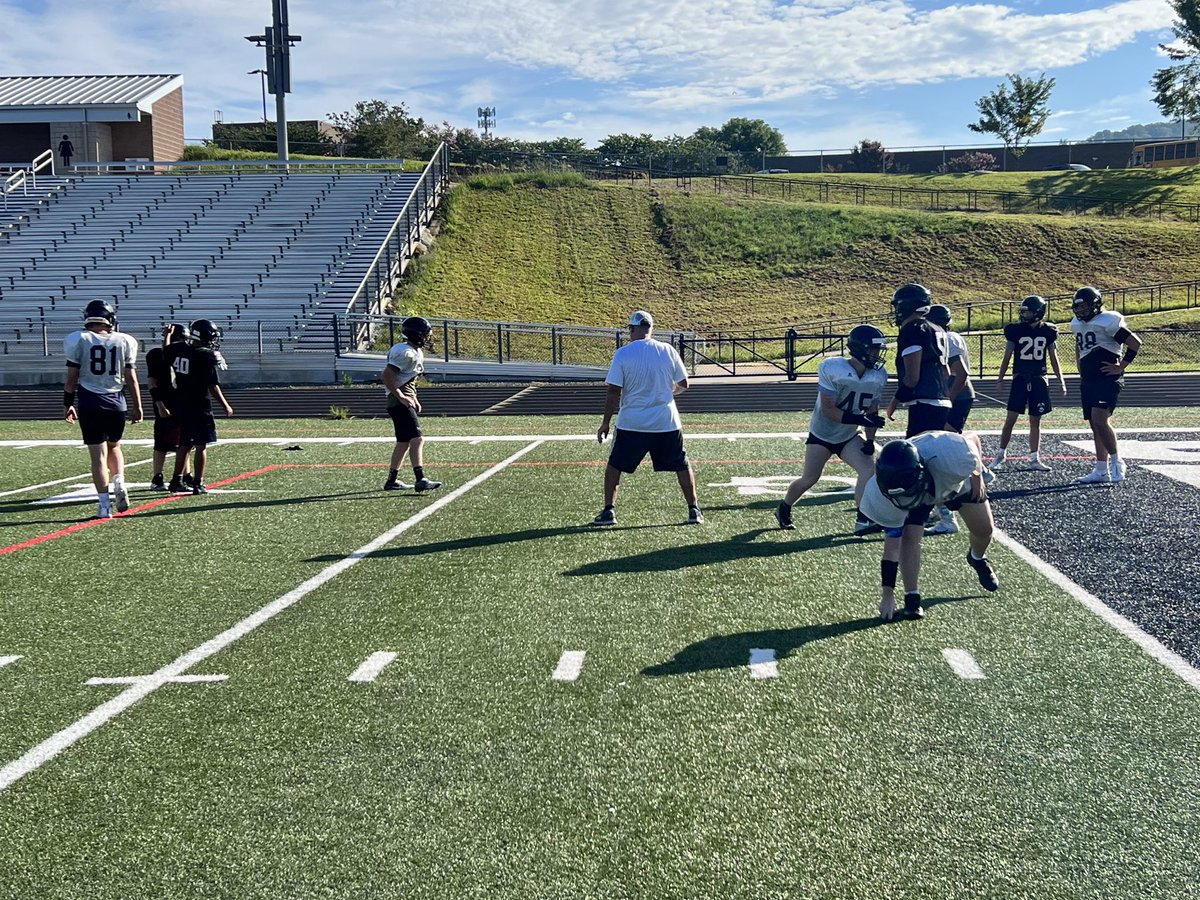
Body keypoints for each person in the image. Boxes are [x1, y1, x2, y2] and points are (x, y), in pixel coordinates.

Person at [859, 434, 1000, 621]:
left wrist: (977, 475)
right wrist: (888, 594)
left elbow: (972, 439)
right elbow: (892, 547)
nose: (903, 500)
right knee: (910, 537)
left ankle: (977, 557)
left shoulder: (952, 455)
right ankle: (912, 598)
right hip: (922, 488)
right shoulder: (884, 492)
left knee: (984, 530)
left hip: (950, 481)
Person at [774, 323, 888, 536]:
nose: (877, 354)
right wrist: (861, 418)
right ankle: (785, 506)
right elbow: (829, 410)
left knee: (869, 470)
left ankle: (863, 518)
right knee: (809, 478)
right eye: (874, 349)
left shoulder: (878, 375)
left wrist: (871, 439)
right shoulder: (834, 368)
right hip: (822, 434)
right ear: (861, 349)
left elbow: (872, 408)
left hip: (849, 435)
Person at [594, 310, 701, 526]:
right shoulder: (667, 350)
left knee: (615, 466)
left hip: (632, 422)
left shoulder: (623, 354)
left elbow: (613, 391)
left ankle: (609, 511)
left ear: (632, 329)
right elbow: (684, 384)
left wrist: (605, 422)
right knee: (682, 464)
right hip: (665, 421)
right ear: (650, 328)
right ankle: (694, 509)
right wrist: (667, 393)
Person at [63, 300, 143, 519]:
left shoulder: (78, 339)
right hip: (117, 401)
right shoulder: (125, 340)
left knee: (98, 456)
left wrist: (67, 403)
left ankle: (104, 506)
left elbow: (72, 379)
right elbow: (131, 378)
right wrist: (138, 405)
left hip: (90, 401)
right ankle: (119, 481)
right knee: (115, 446)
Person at [1070, 286, 1142, 484]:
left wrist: (1122, 366)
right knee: (1095, 424)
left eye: (1085, 307)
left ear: (1095, 305)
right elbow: (1079, 346)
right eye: (1078, 308)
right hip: (1089, 378)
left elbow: (1135, 343)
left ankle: (1117, 461)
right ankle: (1101, 469)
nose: (1081, 311)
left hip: (1106, 378)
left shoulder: (1108, 321)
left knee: (1100, 419)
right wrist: (1080, 368)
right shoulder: (1076, 323)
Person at [992, 295, 1067, 473]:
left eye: (1027, 312)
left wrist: (1061, 381)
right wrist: (1000, 378)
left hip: (1039, 378)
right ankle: (1001, 454)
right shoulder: (1015, 331)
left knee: (1035, 420)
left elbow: (1054, 359)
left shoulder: (1048, 331)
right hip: (1020, 378)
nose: (1024, 315)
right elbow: (1007, 356)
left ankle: (1034, 457)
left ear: (1038, 312)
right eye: (1023, 311)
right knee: (1011, 419)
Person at [921, 303, 976, 535]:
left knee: (939, 455)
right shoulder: (950, 335)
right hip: (957, 394)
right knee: (943, 447)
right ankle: (939, 508)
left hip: (957, 394)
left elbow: (960, 373)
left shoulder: (947, 338)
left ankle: (948, 515)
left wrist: (948, 399)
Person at [165, 319, 233, 495]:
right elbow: (213, 385)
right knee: (201, 445)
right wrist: (225, 405)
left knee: (185, 444)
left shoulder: (177, 349)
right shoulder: (205, 356)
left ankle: (176, 480)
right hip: (200, 405)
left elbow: (167, 350)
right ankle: (198, 482)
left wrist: (167, 336)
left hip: (182, 403)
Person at [382, 316, 442, 493]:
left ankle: (392, 480)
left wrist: (413, 398)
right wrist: (402, 396)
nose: (426, 338)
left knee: (403, 442)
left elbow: (409, 379)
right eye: (424, 334)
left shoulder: (413, 351)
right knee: (417, 438)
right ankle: (420, 478)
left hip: (401, 399)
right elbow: (387, 376)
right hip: (398, 400)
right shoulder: (405, 352)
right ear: (416, 334)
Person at [889, 283, 951, 437]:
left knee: (915, 454)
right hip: (942, 399)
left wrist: (894, 402)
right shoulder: (938, 328)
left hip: (924, 403)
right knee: (934, 454)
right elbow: (947, 372)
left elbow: (912, 378)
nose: (896, 311)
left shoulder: (913, 328)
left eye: (898, 306)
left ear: (907, 306)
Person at [144, 322, 193, 491]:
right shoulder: (157, 355)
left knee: (185, 441)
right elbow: (152, 382)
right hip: (166, 401)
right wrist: (159, 404)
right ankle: (157, 477)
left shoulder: (187, 355)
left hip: (183, 402)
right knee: (162, 443)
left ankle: (186, 475)